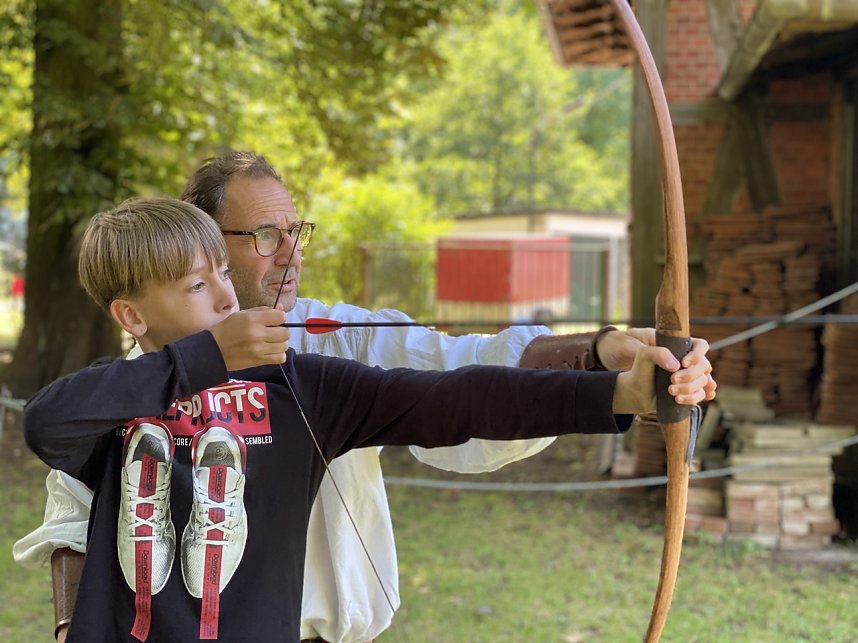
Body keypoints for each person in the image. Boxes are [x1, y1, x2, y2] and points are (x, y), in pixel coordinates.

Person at [14, 151, 716, 643]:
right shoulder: (115, 391)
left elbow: (458, 386)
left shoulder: (320, 356)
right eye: (263, 237)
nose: (288, 252)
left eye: (295, 232)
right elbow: (62, 483)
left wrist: (607, 374)